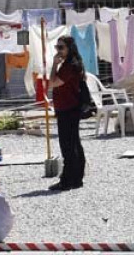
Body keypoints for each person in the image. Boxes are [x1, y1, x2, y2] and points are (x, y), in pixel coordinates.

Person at [48, 36, 87, 191]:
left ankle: (67, 180)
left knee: (68, 146)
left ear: (69, 48)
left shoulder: (69, 66)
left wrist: (53, 64)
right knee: (74, 143)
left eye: (61, 47)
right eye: (57, 47)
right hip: (70, 107)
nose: (58, 50)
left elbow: (52, 82)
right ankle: (76, 178)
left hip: (68, 108)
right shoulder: (72, 63)